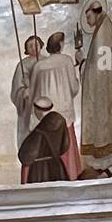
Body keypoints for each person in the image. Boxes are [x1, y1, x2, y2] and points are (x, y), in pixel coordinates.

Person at [76, 0, 112, 176]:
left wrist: (82, 63)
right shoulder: (103, 27)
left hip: (103, 90)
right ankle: (105, 166)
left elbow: (102, 67)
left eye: (89, 17)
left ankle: (108, 165)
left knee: (104, 127)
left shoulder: (104, 30)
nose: (88, 22)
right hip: (104, 87)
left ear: (96, 13)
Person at [27, 31, 82, 179]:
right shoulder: (67, 61)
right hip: (63, 115)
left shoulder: (39, 65)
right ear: (60, 45)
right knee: (65, 148)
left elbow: (32, 93)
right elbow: (74, 89)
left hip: (44, 116)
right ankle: (70, 177)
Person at [18, 97, 71, 184]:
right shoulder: (61, 121)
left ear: (37, 110)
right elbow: (65, 145)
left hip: (40, 170)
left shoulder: (39, 131)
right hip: (57, 166)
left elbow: (26, 157)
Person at [10, 35, 43, 150]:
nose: (34, 48)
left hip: (43, 106)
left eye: (36, 45)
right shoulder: (22, 65)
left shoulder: (46, 62)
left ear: (41, 46)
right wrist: (23, 92)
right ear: (26, 49)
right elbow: (16, 90)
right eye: (30, 46)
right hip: (27, 107)